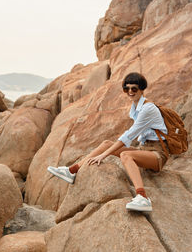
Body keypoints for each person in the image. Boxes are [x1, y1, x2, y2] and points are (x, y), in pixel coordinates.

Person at [47, 72, 169, 212]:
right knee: (106, 143)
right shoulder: (135, 108)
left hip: (158, 154)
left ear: (142, 89)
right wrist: (105, 151)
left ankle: (142, 198)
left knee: (125, 156)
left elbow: (128, 136)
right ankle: (72, 171)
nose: (130, 92)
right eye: (126, 89)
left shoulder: (148, 108)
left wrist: (103, 155)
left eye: (134, 89)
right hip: (145, 150)